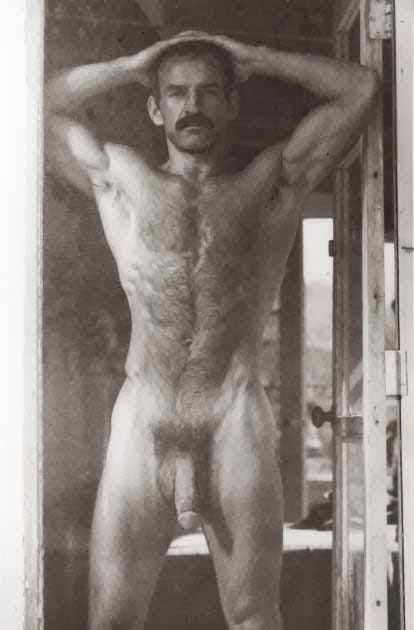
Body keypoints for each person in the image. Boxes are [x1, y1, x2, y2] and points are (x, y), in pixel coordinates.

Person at [45, 30, 379, 630]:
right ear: (156, 108)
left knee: (255, 618)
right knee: (111, 622)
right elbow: (34, 103)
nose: (192, 106)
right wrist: (131, 64)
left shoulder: (270, 183)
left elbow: (360, 89)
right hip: (145, 418)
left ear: (231, 103)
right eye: (175, 93)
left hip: (233, 415)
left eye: (207, 92)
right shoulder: (122, 180)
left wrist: (257, 57)